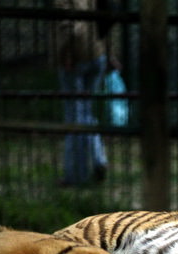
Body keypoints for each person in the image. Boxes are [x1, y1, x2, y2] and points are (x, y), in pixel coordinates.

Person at [53, 0, 116, 186]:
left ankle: (75, 176)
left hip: (77, 56)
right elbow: (106, 16)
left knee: (75, 117)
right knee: (86, 113)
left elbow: (69, 24)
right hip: (98, 52)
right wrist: (109, 52)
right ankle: (99, 160)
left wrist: (67, 53)